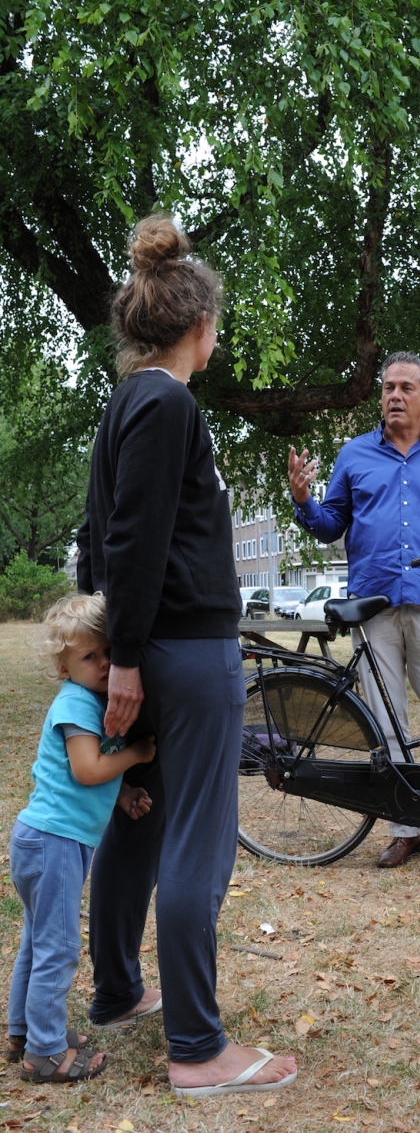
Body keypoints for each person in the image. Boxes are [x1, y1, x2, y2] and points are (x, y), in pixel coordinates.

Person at [77, 214, 297, 1097]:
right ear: (199, 326)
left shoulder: (127, 401)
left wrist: (120, 654)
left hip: (149, 649)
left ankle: (119, 992)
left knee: (139, 820)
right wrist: (124, 659)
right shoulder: (168, 402)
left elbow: (103, 540)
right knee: (199, 842)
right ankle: (198, 1047)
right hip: (183, 652)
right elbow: (129, 538)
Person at [289, 351, 420, 870]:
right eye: (387, 388)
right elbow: (331, 523)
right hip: (373, 607)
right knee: (387, 722)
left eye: (405, 387)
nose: (394, 396)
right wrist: (304, 501)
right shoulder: (355, 455)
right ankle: (404, 827)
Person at [7, 594, 155, 1083]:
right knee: (58, 946)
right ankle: (45, 1053)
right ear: (62, 664)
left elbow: (84, 778)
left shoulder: (90, 700)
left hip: (43, 839)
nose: (104, 663)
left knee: (37, 941)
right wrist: (133, 755)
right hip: (55, 843)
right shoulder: (75, 702)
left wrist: (125, 793)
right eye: (89, 657)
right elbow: (88, 768)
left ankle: (25, 1031)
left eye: (108, 652)